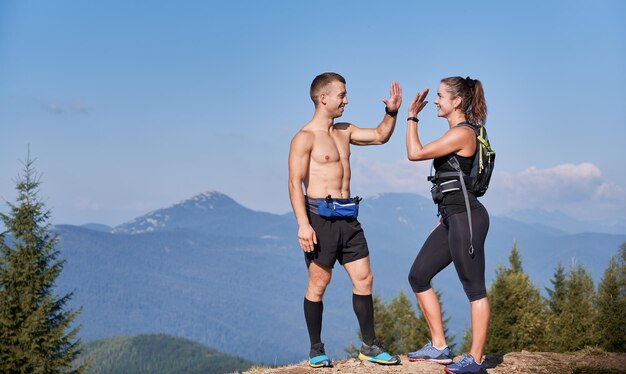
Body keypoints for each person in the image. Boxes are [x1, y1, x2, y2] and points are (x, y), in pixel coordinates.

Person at [288, 72, 402, 367]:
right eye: (342, 95)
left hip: (349, 217)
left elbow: (380, 135)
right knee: (319, 282)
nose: (346, 101)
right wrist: (303, 224)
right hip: (319, 218)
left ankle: (370, 346)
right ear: (323, 98)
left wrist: (392, 111)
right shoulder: (304, 138)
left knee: (364, 278)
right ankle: (316, 349)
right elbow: (293, 182)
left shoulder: (344, 130)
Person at [404, 76, 490, 374]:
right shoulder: (458, 133)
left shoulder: (463, 133)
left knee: (474, 288)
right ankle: (439, 346)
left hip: (467, 219)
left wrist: (412, 115)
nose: (437, 101)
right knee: (418, 275)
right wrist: (443, 221)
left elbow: (415, 153)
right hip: (452, 218)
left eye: (441, 96)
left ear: (457, 101)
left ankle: (476, 360)